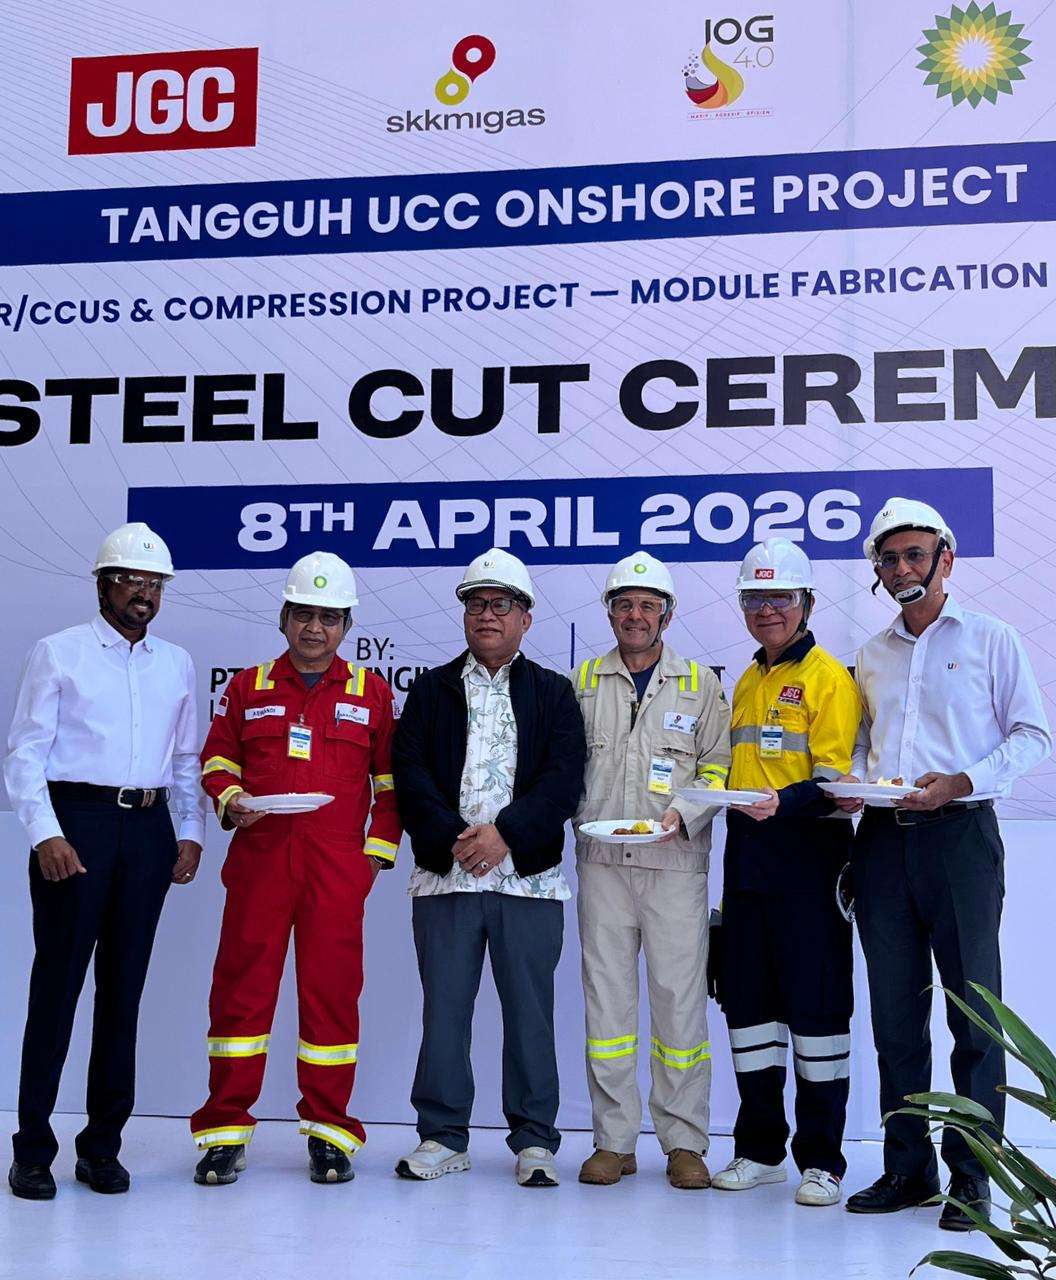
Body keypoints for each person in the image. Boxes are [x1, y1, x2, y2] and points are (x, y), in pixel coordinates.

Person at [838, 498, 1052, 1231]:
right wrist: (856, 783)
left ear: (945, 560)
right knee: (895, 1015)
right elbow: (865, 742)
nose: (902, 568)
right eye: (889, 558)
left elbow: (1032, 735)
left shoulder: (992, 638)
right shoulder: (871, 653)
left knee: (973, 1013)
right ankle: (908, 1170)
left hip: (961, 838)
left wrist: (960, 781)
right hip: (882, 843)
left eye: (914, 554)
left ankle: (974, 1176)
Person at [5, 522, 205, 1201]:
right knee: (56, 989)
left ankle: (101, 1147)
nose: (143, 592)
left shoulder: (175, 663)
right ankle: (33, 1150)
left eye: (154, 583)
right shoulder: (58, 653)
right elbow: (25, 754)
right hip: (77, 826)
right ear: (102, 585)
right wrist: (45, 835)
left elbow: (185, 758)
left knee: (124, 993)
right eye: (130, 579)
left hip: (148, 829)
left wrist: (189, 831)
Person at [189, 551, 401, 1187]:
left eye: (329, 618)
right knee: (240, 995)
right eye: (304, 614)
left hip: (335, 871)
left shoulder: (371, 692)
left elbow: (390, 786)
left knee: (331, 998)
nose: (315, 628)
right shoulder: (248, 686)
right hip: (259, 864)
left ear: (346, 626)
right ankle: (224, 1133)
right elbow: (217, 760)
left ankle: (330, 1133)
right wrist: (232, 800)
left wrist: (374, 857)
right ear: (284, 617)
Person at [391, 548, 585, 1187]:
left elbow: (563, 780)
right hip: (444, 877)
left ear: (526, 618)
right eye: (476, 603)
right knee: (444, 1013)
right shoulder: (431, 689)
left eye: (501, 604)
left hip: (528, 881)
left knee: (530, 1015)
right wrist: (456, 838)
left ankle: (534, 1141)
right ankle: (442, 1136)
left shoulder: (553, 692)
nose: (487, 615)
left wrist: (505, 836)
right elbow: (409, 775)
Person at [573, 551, 731, 1190]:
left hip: (675, 864)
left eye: (647, 605)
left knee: (679, 1005)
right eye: (624, 605)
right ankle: (613, 1142)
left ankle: (684, 1141)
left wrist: (683, 814)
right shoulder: (582, 682)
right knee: (606, 1006)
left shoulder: (700, 683)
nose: (635, 616)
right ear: (609, 613)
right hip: (603, 865)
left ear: (667, 614)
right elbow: (563, 768)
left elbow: (718, 767)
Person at [708, 538, 859, 1207]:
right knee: (749, 1008)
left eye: (780, 597)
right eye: (755, 598)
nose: (766, 610)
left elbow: (835, 778)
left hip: (809, 856)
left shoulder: (829, 677)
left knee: (817, 1009)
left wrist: (785, 803)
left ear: (807, 604)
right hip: (746, 855)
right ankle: (761, 1150)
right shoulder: (746, 679)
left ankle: (822, 1161)